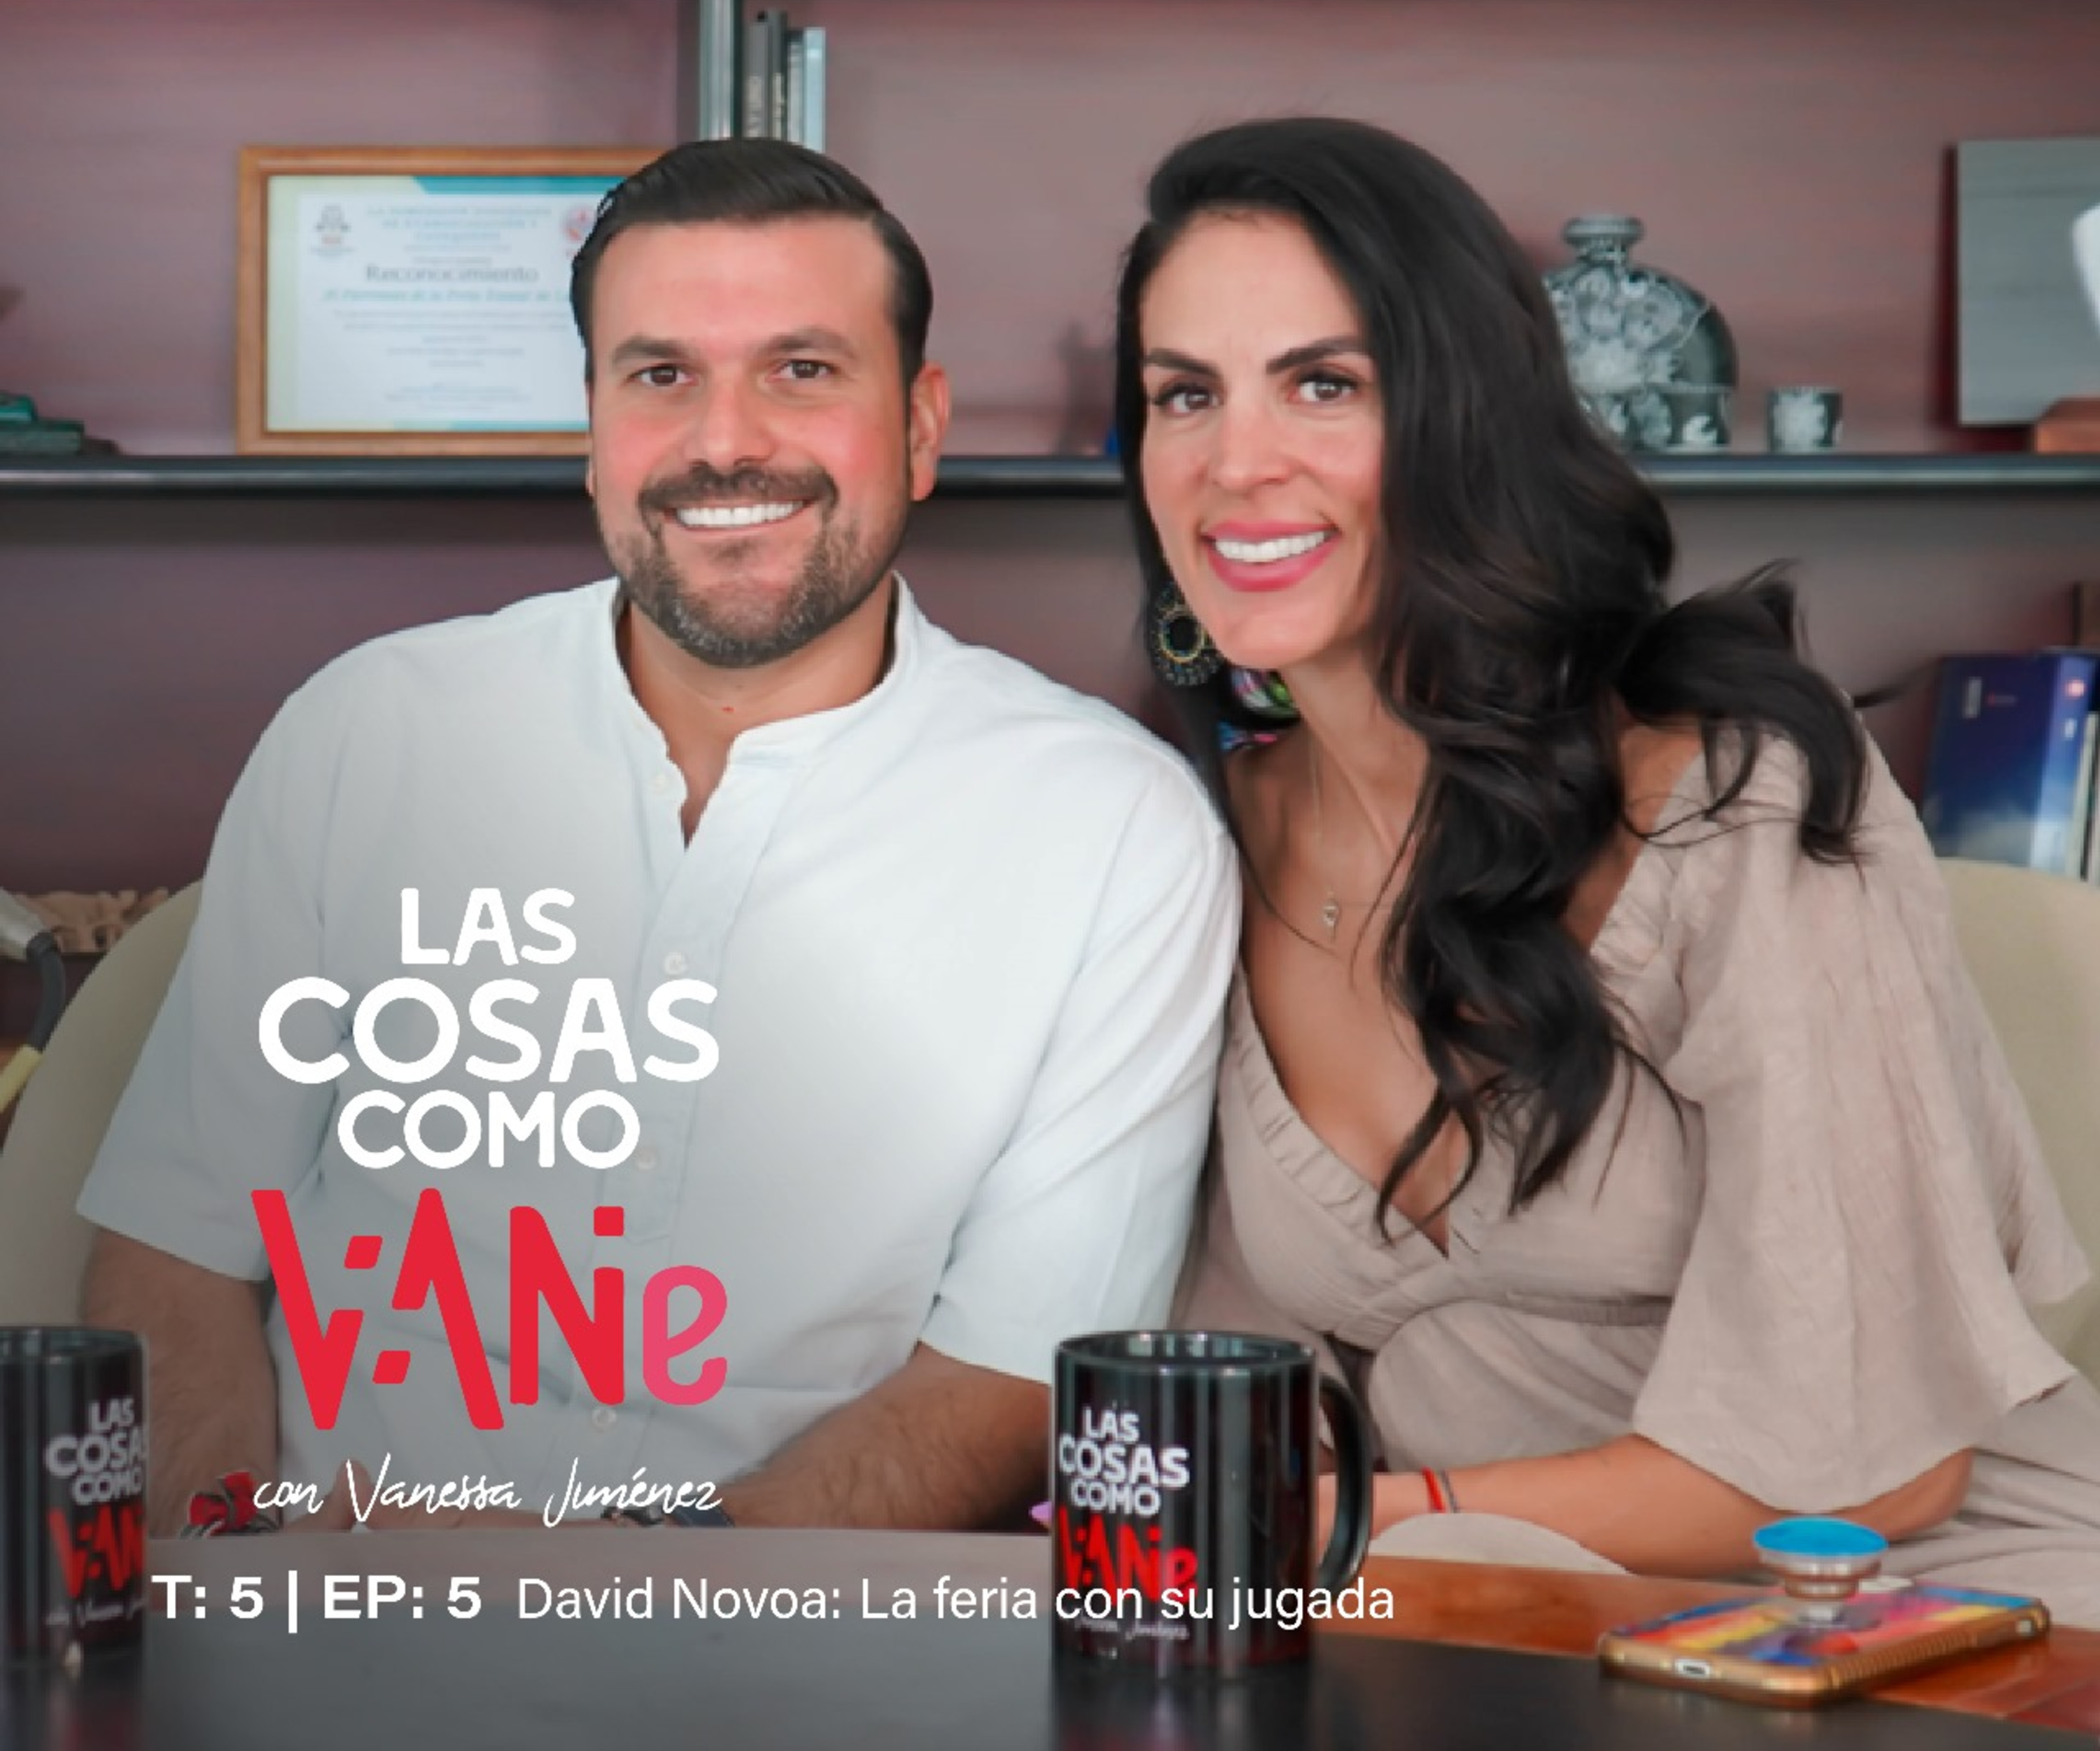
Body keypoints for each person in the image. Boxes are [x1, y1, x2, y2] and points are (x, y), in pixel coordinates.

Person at [81, 139, 1236, 1535]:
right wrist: (236, 1576)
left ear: (922, 429)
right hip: (337, 1600)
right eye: (661, 375)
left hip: (789, 1632)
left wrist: (636, 1586)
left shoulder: (1115, 832)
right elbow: (180, 1246)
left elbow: (1012, 1379)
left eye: (802, 369)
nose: (725, 441)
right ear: (593, 428)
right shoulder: (368, 732)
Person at [1112, 113, 2100, 1619]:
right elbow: (1253, 1397)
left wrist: (1368, 1522)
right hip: (1511, 1624)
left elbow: (1883, 1475)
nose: (1236, 463)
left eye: (1325, 384)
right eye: (1185, 394)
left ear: (1469, 422)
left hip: (1943, 1614)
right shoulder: (1208, 840)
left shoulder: (1734, 796)